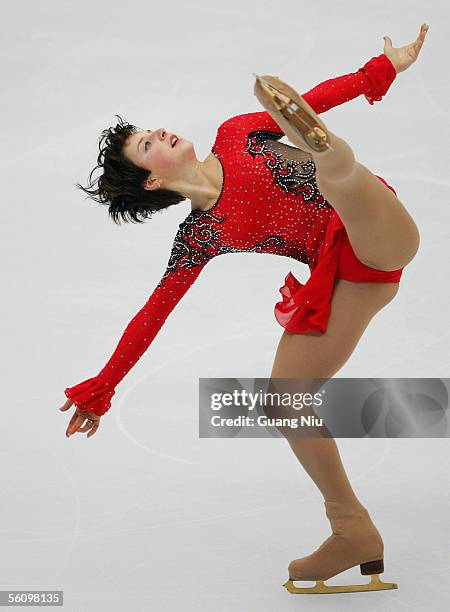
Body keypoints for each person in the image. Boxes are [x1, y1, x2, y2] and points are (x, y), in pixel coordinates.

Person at [60, 24, 429, 594]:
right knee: (284, 396)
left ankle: (328, 153)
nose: (157, 131)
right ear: (154, 178)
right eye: (144, 143)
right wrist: (101, 389)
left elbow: (320, 99)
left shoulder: (236, 132)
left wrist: (382, 70)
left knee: (337, 173)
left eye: (148, 129)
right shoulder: (200, 233)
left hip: (379, 227)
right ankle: (352, 528)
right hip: (351, 277)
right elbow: (151, 315)